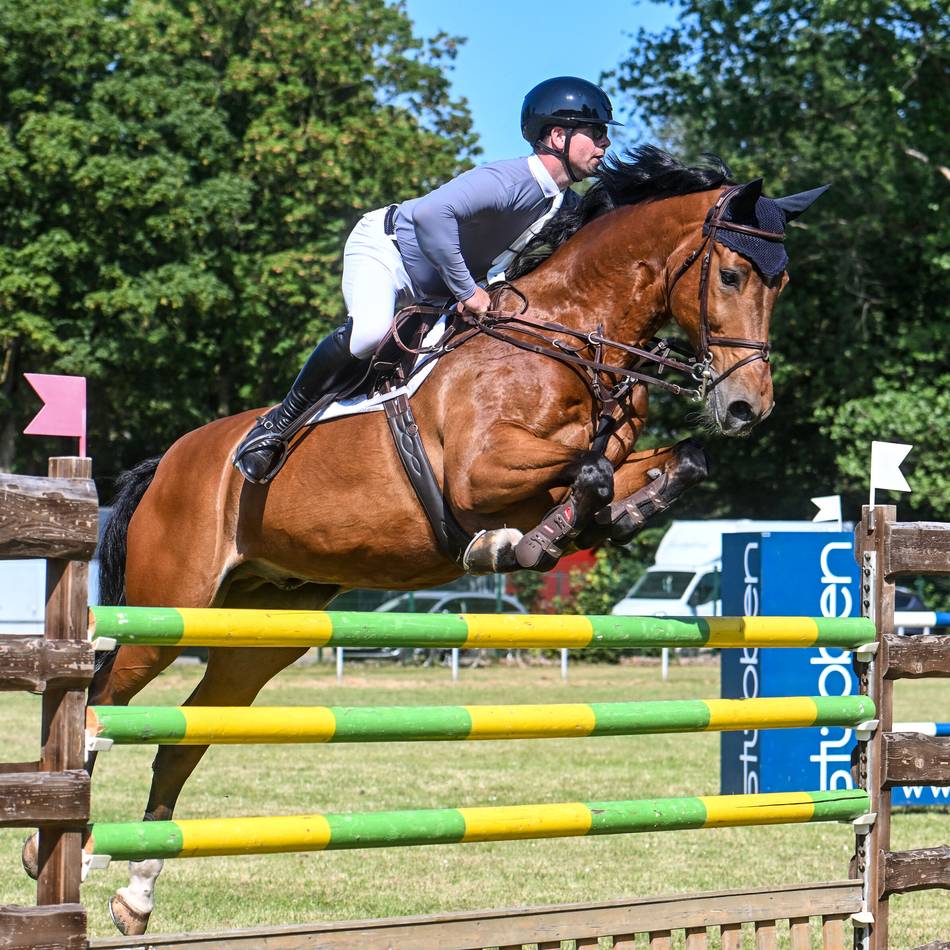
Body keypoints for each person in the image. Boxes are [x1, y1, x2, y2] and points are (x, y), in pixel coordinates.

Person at [234, 76, 621, 483]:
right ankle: (276, 425)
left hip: (439, 290)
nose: (604, 144)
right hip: (388, 251)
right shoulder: (510, 180)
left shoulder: (564, 204)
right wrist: (467, 290)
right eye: (595, 133)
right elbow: (430, 215)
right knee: (368, 334)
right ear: (558, 135)